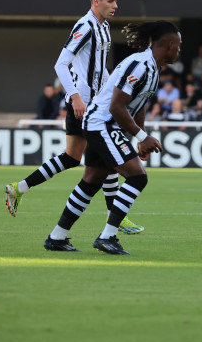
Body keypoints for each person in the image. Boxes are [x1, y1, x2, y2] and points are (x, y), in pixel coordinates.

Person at [5, 0, 144, 235]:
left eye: (116, 0)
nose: (116, 5)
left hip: (93, 104)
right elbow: (60, 64)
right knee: (108, 158)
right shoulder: (86, 26)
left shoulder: (103, 27)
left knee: (72, 158)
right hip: (84, 106)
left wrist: (110, 88)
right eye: (111, 1)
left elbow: (99, 67)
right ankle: (117, 218)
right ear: (96, 1)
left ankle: (19, 188)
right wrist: (76, 96)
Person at [43, 21, 181, 254]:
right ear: (169, 44)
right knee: (137, 177)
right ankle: (108, 237)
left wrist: (140, 138)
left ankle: (57, 237)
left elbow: (139, 106)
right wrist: (142, 136)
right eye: (178, 45)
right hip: (102, 124)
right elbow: (117, 107)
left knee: (91, 182)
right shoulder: (139, 64)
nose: (179, 50)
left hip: (105, 126)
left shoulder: (152, 68)